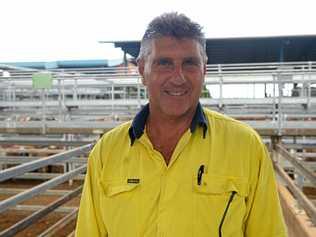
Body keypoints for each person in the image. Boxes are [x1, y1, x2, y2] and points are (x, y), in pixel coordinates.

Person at [75, 12, 287, 237]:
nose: (178, 77)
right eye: (164, 63)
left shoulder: (246, 147)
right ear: (142, 70)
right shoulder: (106, 153)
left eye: (190, 63)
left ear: (204, 70)